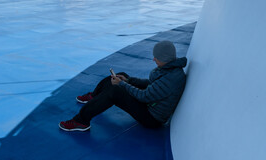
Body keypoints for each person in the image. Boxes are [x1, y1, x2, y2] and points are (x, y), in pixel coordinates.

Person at [59, 40, 187, 131]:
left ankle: (81, 121)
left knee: (115, 91)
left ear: (164, 58)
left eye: (156, 57)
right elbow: (152, 85)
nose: (154, 59)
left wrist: (122, 84)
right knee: (121, 75)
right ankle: (95, 97)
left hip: (151, 118)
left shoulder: (171, 78)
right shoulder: (170, 68)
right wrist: (128, 80)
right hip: (150, 104)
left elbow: (144, 96)